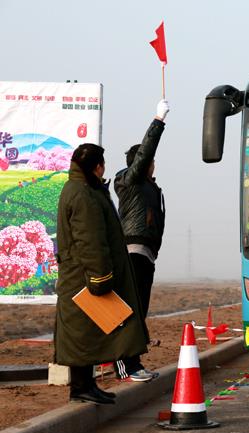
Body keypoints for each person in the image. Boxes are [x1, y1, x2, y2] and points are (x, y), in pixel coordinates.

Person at [55, 143, 149, 404]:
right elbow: (91, 241)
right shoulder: (82, 194)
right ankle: (81, 387)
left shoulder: (82, 189)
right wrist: (100, 278)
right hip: (84, 279)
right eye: (102, 164)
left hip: (82, 277)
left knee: (86, 336)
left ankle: (86, 385)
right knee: (83, 336)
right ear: (97, 167)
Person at [112, 99, 169, 382]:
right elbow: (147, 151)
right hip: (133, 252)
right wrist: (158, 120)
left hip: (146, 253)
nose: (153, 164)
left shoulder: (149, 187)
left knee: (140, 310)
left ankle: (134, 362)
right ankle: (126, 365)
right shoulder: (129, 181)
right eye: (150, 161)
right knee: (130, 310)